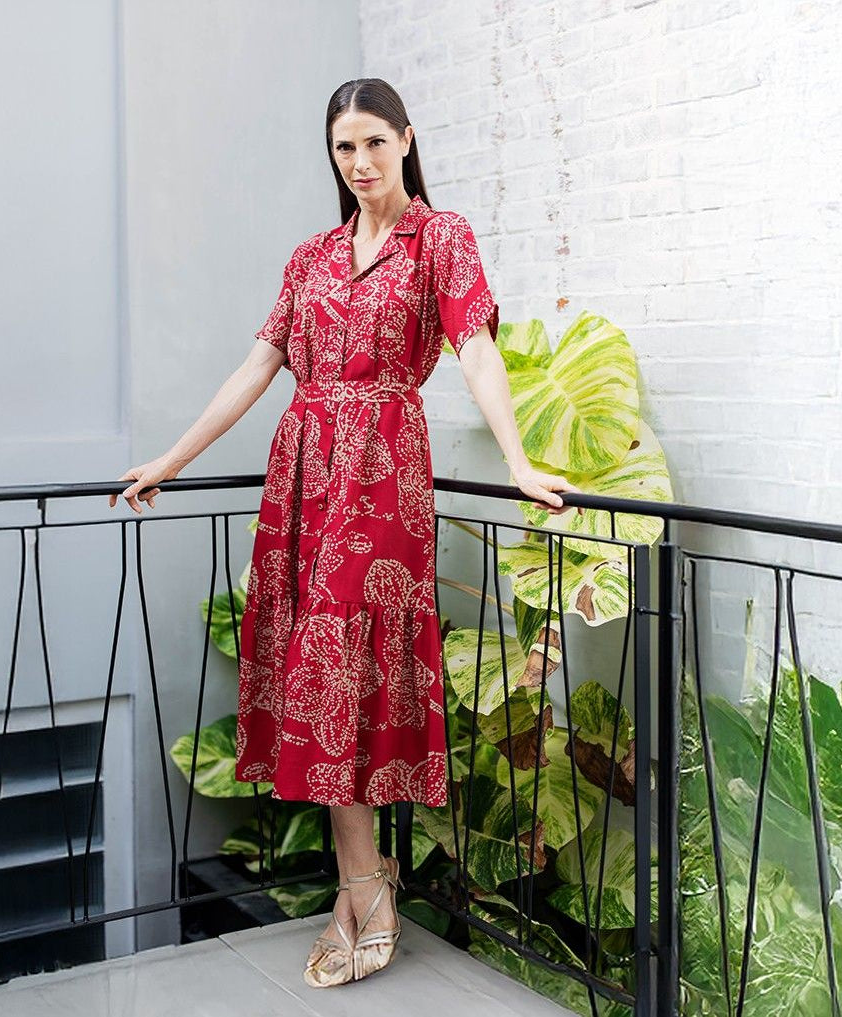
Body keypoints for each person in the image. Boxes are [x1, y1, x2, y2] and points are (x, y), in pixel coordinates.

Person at [109, 78, 582, 988]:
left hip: (381, 475)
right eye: (343, 149)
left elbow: (475, 348)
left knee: (354, 670)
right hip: (302, 478)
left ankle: (365, 887)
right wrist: (171, 457)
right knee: (314, 669)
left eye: (374, 143)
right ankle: (361, 881)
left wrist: (519, 463)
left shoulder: (440, 238)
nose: (360, 163)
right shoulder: (311, 256)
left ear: (406, 141)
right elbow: (258, 367)